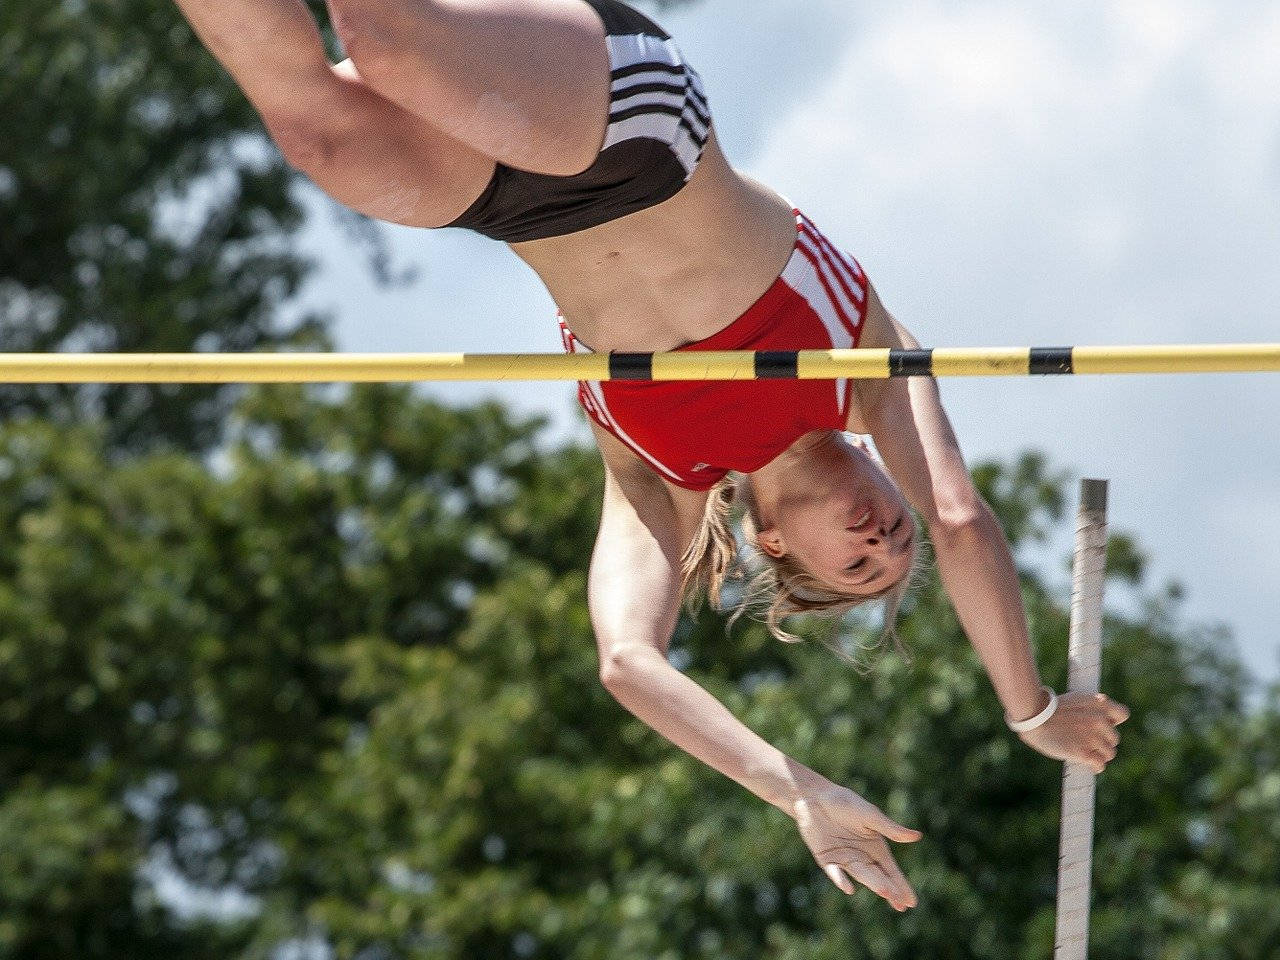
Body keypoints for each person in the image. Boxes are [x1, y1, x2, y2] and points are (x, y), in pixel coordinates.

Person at [172, 0, 1130, 912]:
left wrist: (793, 789)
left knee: (314, 127)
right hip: (636, 136)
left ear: (776, 547)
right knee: (386, 38)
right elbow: (960, 521)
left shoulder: (655, 474)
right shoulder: (870, 365)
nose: (884, 540)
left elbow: (629, 661)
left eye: (860, 567)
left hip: (512, 208)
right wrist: (1030, 708)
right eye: (897, 538)